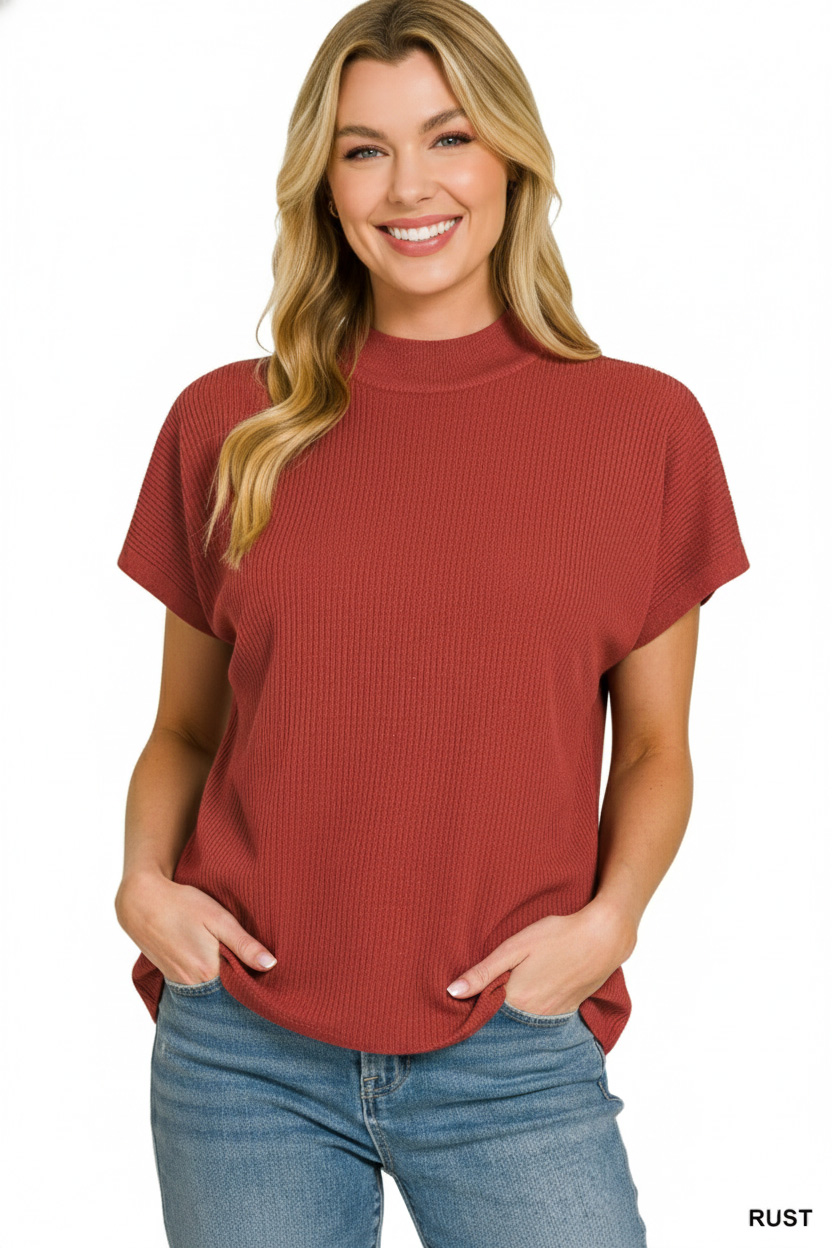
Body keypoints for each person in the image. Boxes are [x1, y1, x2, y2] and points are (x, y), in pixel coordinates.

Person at [114, 2, 750, 1245]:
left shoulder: (643, 429)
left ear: (510, 157)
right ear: (324, 183)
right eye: (365, 149)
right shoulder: (229, 425)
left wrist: (610, 923)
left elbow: (655, 748)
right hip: (241, 1054)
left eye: (448, 137)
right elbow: (184, 731)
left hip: (512, 1046)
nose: (409, 185)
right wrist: (142, 886)